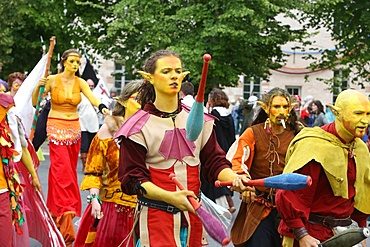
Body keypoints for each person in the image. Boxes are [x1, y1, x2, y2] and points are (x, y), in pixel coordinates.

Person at [115, 49, 251, 247]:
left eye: (178, 71)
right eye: (166, 71)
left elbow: (214, 161)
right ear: (150, 78)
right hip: (156, 219)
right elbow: (132, 180)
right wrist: (171, 197)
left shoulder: (199, 120)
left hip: (194, 218)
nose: (174, 76)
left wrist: (234, 178)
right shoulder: (136, 128)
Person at [31, 49, 109, 247]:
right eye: (72, 61)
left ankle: (62, 210)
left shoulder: (80, 82)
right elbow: (35, 103)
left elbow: (93, 98)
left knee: (69, 171)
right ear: (64, 62)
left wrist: (104, 109)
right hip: (55, 128)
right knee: (60, 170)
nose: (75, 65)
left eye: (78, 62)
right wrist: (37, 88)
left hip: (74, 129)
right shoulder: (52, 79)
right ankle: (63, 213)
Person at [276, 89, 370, 247]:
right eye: (358, 113)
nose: (365, 121)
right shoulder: (314, 145)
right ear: (337, 113)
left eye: (368, 114)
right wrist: (302, 235)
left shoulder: (359, 147)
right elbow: (289, 194)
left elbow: (361, 194)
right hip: (312, 235)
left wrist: (360, 230)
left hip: (346, 233)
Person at [227, 87, 302, 247]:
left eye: (285, 107)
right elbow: (237, 162)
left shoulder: (299, 135)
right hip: (259, 206)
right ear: (266, 108)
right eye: (276, 106)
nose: (281, 111)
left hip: (290, 209)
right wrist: (244, 183)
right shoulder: (252, 133)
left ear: (290, 109)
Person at [75, 80, 142, 247]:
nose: (143, 104)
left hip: (144, 208)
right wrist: (94, 198)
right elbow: (93, 171)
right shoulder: (107, 131)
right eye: (138, 99)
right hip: (112, 208)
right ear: (125, 101)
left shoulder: (151, 130)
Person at [202, 88, 236, 213]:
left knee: (214, 178)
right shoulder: (229, 115)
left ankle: (226, 205)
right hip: (227, 149)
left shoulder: (214, 114)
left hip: (216, 149)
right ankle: (226, 203)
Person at [78, 78, 99, 171]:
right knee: (84, 145)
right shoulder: (80, 96)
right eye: (88, 86)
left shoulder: (96, 96)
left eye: (92, 86)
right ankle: (84, 165)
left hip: (93, 124)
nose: (90, 88)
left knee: (93, 146)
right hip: (82, 124)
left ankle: (92, 164)